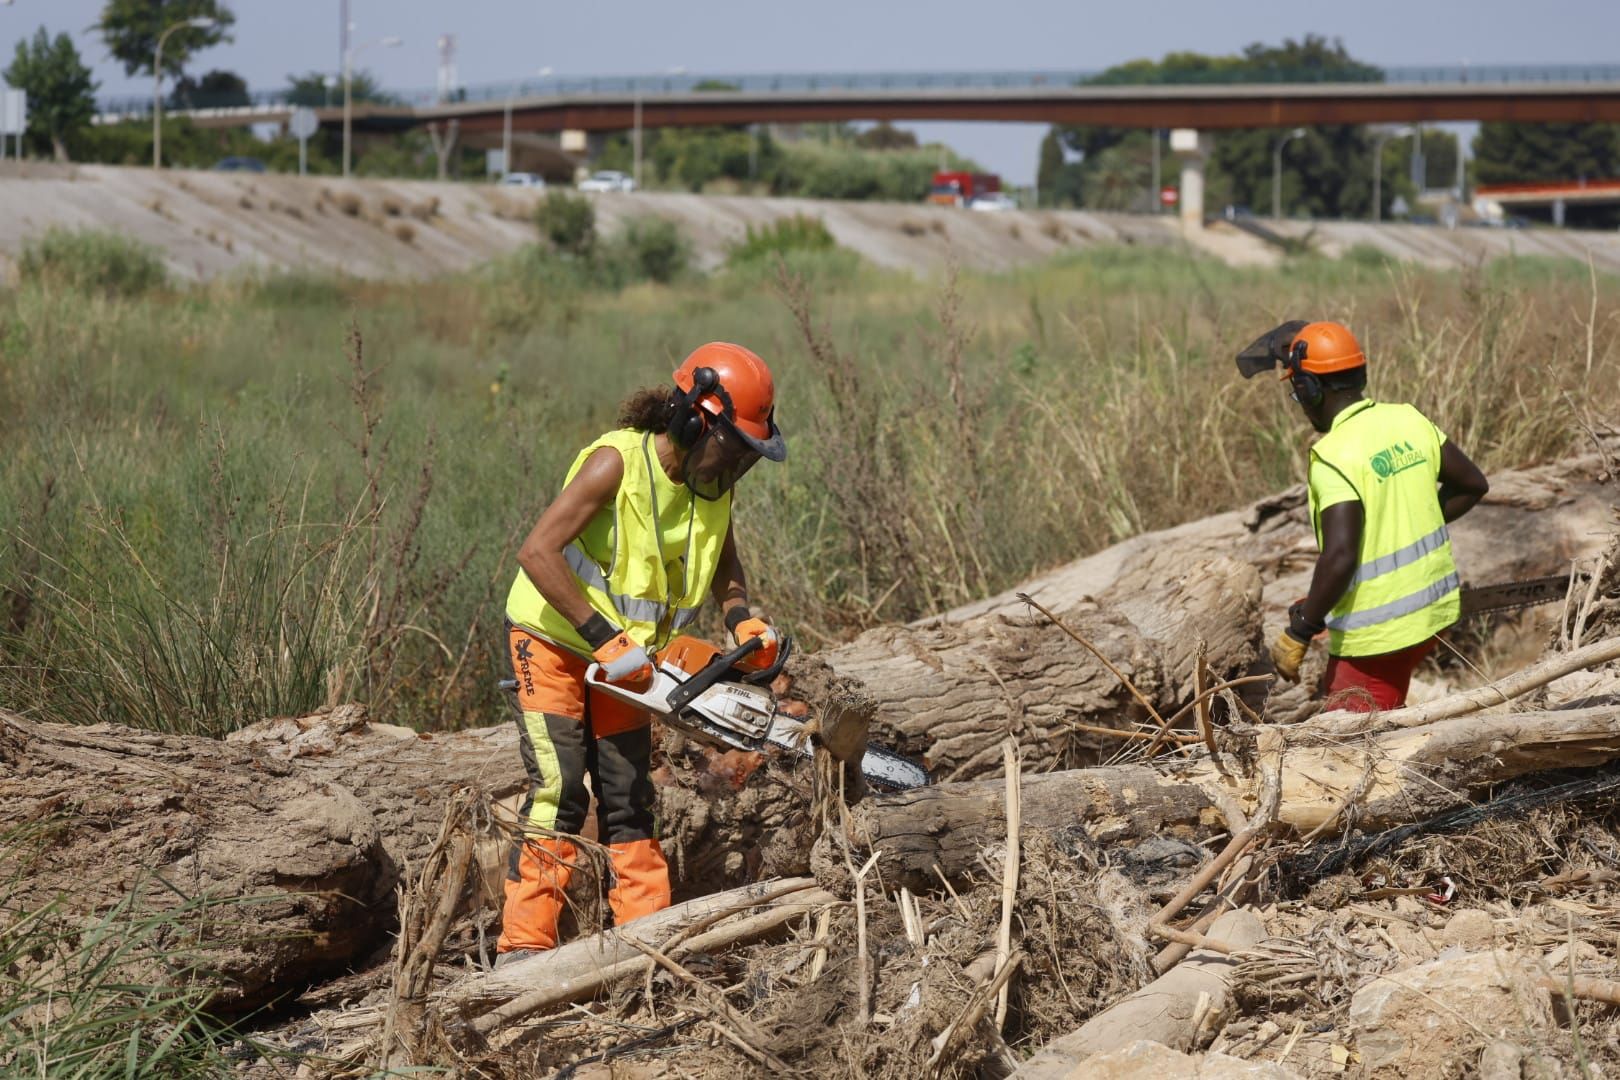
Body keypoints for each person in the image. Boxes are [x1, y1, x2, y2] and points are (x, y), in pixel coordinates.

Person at [497, 342, 787, 960]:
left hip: (628, 660)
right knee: (562, 786)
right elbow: (536, 552)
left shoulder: (711, 488)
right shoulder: (615, 464)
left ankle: (646, 940)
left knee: (629, 792)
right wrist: (605, 639)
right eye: (732, 446)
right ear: (693, 419)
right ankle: (523, 947)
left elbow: (725, 568)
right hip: (552, 639)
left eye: (746, 453)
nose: (735, 463)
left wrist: (742, 621)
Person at [1243, 320, 1490, 712]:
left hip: (1381, 633)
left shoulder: (1334, 456)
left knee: (1348, 747)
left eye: (1297, 391)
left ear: (1310, 389)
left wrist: (1300, 630)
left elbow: (1340, 556)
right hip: (1433, 611)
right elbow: (1473, 484)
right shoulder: (1408, 419)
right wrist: (1412, 520)